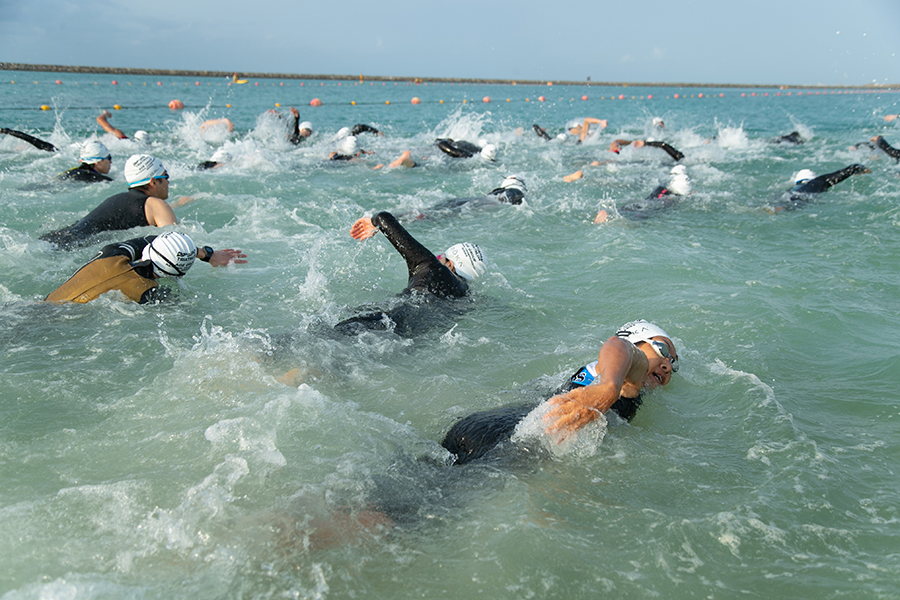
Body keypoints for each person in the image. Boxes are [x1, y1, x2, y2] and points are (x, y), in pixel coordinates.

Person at [441, 320, 679, 464]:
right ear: (636, 340)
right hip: (512, 436)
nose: (667, 365)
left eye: (673, 363)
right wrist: (608, 389)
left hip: (490, 423)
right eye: (661, 349)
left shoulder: (603, 373)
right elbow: (618, 345)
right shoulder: (625, 374)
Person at [334, 211, 486, 335]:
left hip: (382, 324)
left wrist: (371, 222)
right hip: (411, 338)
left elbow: (383, 217)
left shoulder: (431, 267)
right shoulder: (466, 299)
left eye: (441, 257)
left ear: (451, 265)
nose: (437, 258)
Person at [45, 232, 246, 304]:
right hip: (60, 326)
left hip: (36, 306)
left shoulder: (112, 253)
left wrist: (205, 253)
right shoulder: (150, 295)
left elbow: (149, 240)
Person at [40, 154, 181, 249]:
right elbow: (175, 246)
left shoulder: (117, 199)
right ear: (154, 182)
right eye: (165, 176)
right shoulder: (157, 204)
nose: (168, 181)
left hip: (56, 239)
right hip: (73, 246)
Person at [594, 165, 692, 223]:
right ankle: (609, 216)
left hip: (641, 203)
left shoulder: (661, 187)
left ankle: (608, 213)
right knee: (632, 221)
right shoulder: (672, 198)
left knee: (626, 210)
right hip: (648, 209)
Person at [403, 176, 526, 219]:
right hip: (474, 204)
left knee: (432, 210)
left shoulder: (496, 192)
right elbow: (513, 198)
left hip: (468, 199)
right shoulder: (514, 192)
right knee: (432, 215)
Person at [774, 163, 870, 210]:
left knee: (785, 203)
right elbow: (852, 168)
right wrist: (863, 169)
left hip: (789, 195)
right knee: (793, 206)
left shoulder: (793, 188)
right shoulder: (820, 181)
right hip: (806, 196)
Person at [607, 139, 684, 161]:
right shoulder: (614, 150)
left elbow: (616, 141)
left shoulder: (613, 150)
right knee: (662, 145)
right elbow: (617, 141)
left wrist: (630, 142)